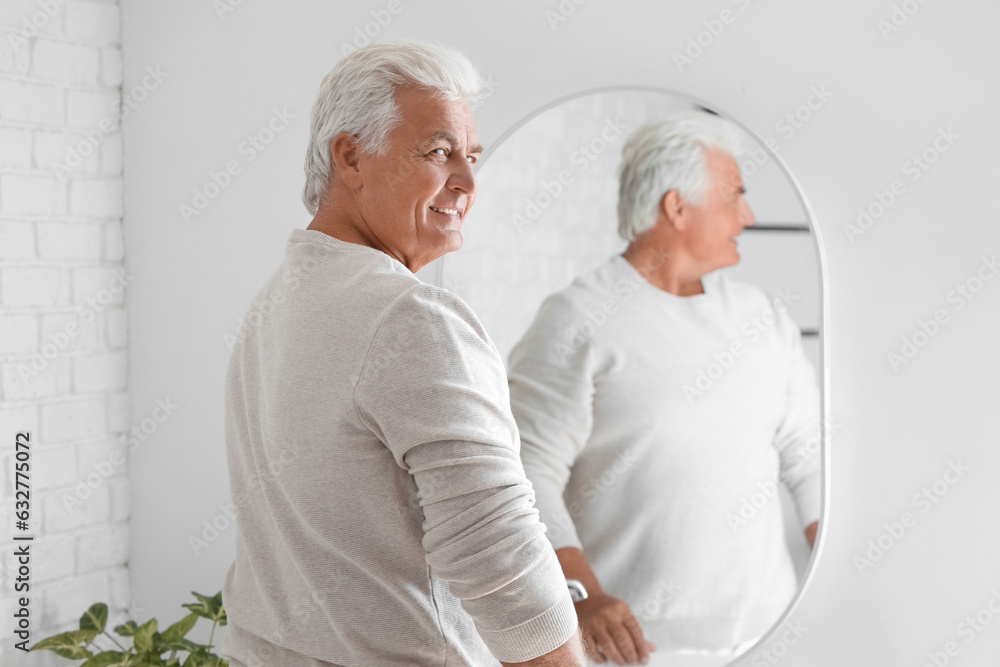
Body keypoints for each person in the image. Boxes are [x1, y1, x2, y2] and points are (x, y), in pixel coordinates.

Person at [220, 40, 587, 667]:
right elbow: (501, 561)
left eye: (471, 156)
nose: (469, 181)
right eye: (440, 152)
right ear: (351, 156)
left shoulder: (274, 304)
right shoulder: (410, 319)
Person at [508, 111, 822, 666]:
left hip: (773, 638)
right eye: (734, 198)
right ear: (677, 207)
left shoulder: (760, 318)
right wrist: (581, 596)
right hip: (633, 651)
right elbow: (525, 469)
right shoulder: (575, 319)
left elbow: (808, 456)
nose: (747, 216)